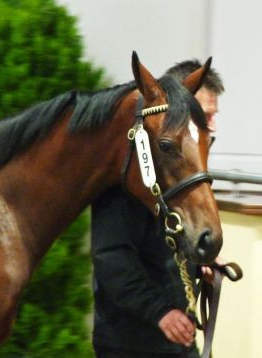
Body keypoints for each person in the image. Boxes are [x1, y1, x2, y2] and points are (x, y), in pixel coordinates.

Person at [91, 60, 224, 358]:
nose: (209, 124)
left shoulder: (178, 179)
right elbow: (112, 258)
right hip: (129, 344)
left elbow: (169, 247)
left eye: (212, 116)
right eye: (203, 115)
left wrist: (200, 258)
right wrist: (160, 312)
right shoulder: (128, 179)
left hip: (177, 340)